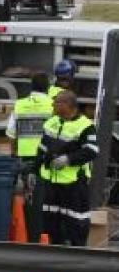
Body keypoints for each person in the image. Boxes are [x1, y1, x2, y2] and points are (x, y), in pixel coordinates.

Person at [29, 90, 98, 246]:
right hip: (51, 182)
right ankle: (53, 249)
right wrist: (34, 170)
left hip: (74, 184)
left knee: (76, 220)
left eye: (57, 102)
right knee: (50, 219)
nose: (53, 105)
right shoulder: (51, 122)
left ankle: (77, 253)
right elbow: (42, 148)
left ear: (68, 105)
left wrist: (68, 159)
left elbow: (92, 151)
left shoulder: (86, 126)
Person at [6, 72, 53, 242]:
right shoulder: (53, 105)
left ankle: (27, 233)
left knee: (28, 197)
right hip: (46, 158)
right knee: (44, 197)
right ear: (47, 87)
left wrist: (14, 154)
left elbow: (11, 134)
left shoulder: (20, 105)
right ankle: (41, 234)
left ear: (31, 87)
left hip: (26, 158)